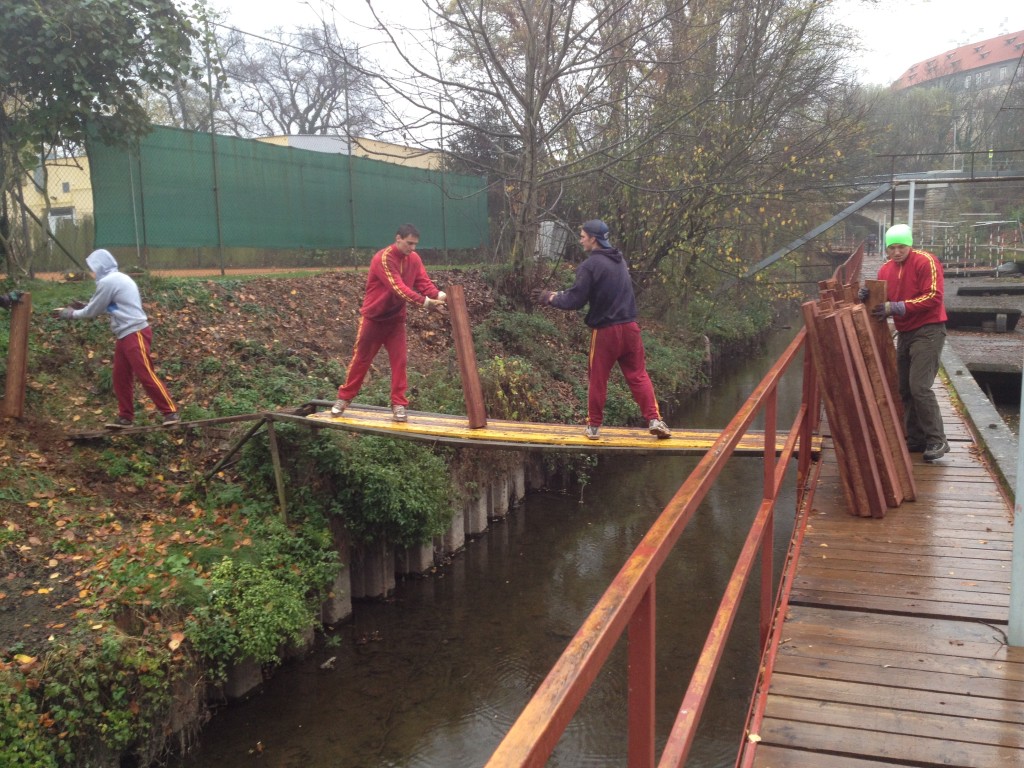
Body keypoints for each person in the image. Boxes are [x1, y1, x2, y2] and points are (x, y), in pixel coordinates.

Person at [533, 219, 671, 441]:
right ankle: (655, 420)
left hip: (606, 332)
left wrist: (550, 298)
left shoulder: (590, 266)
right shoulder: (619, 260)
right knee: (638, 375)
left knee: (598, 378)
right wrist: (559, 294)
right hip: (631, 328)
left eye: (583, 236)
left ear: (593, 239)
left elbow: (575, 300)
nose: (580, 240)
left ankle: (594, 427)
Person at [332, 223, 447, 422]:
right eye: (409, 243)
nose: (412, 248)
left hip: (396, 321)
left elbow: (423, 282)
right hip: (373, 319)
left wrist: (440, 296)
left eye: (415, 244)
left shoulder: (414, 259)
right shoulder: (383, 258)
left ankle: (398, 405)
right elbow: (398, 288)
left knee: (400, 361)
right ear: (398, 239)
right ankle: (343, 399)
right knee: (361, 359)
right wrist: (426, 302)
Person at [58, 249, 180, 428]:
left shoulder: (108, 281)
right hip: (125, 334)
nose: (92, 273)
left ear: (100, 266)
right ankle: (125, 417)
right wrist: (84, 306)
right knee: (120, 376)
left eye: (93, 268)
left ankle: (170, 412)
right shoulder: (118, 278)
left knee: (145, 373)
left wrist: (70, 314)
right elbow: (110, 305)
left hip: (135, 332)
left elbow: (92, 311)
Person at [868, 223, 949, 462]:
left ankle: (937, 439)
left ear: (909, 245)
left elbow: (934, 296)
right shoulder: (885, 270)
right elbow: (881, 300)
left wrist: (898, 307)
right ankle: (916, 439)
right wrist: (866, 296)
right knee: (904, 388)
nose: (896, 252)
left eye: (901, 247)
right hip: (905, 332)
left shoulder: (926, 261)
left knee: (920, 387)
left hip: (929, 329)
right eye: (891, 247)